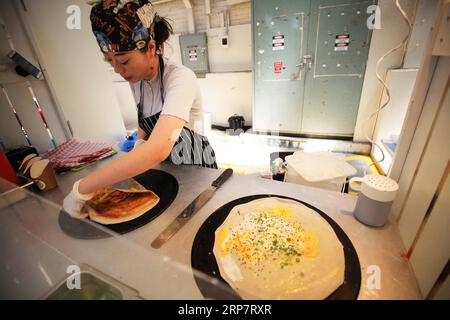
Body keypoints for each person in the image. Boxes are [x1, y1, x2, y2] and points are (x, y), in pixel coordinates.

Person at [63, 0, 217, 218]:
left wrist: (82, 188)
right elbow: (145, 121)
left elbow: (158, 149)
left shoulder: (180, 78)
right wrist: (138, 145)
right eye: (110, 62)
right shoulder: (137, 80)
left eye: (124, 61)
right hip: (168, 170)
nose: (117, 70)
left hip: (197, 171)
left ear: (151, 48)